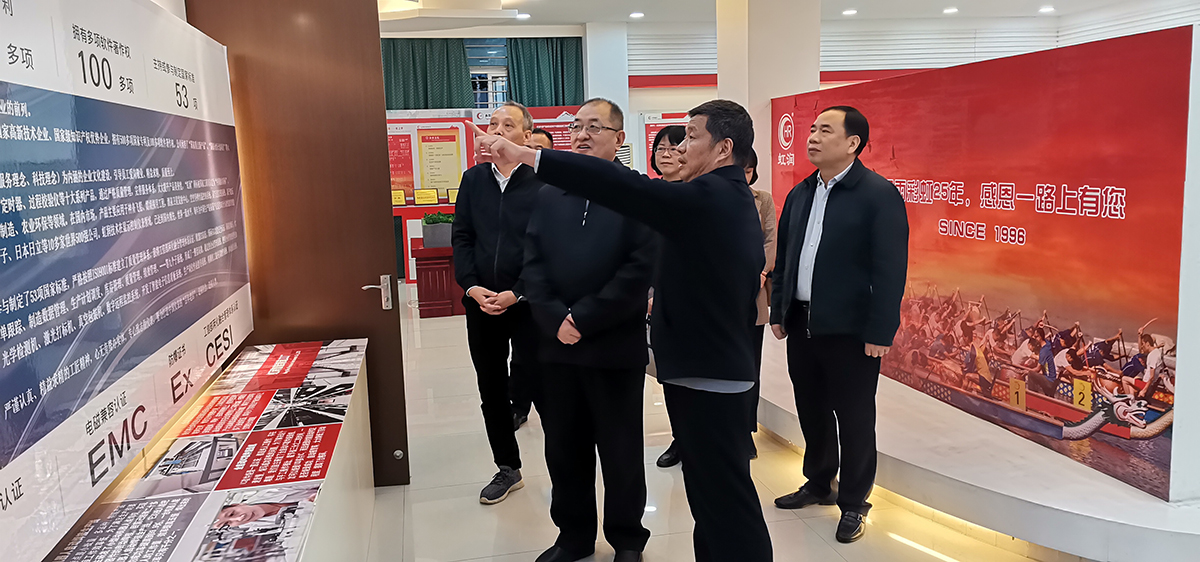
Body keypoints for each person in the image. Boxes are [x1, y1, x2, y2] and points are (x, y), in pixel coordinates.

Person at [470, 99, 773, 562]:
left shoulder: (712, 196)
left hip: (707, 370)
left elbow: (623, 192)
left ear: (724, 148)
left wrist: (528, 155)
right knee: (711, 500)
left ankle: (630, 538)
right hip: (697, 367)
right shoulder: (716, 196)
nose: (679, 147)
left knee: (725, 500)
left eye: (691, 137)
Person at [521, 99, 656, 562]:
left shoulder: (637, 194)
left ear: (619, 138)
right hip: (556, 347)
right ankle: (573, 536)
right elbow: (532, 264)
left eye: (594, 127)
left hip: (613, 346)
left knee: (621, 450)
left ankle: (627, 539)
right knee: (563, 449)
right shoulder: (548, 193)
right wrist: (554, 318)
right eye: (576, 127)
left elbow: (639, 269)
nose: (581, 134)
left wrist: (583, 318)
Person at [770, 106, 909, 544]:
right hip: (802, 321)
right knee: (811, 408)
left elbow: (890, 269)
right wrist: (779, 310)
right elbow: (786, 258)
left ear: (852, 143)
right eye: (812, 129)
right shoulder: (801, 193)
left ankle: (853, 502)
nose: (812, 137)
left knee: (854, 416)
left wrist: (880, 331)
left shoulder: (878, 194)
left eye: (824, 130)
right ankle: (818, 482)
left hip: (851, 331)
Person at [451, 101, 544, 505]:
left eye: (508, 125)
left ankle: (565, 467)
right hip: (482, 303)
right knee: (490, 386)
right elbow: (462, 236)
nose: (498, 130)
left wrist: (518, 291)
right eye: (493, 123)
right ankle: (508, 467)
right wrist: (472, 287)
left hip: (529, 303)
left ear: (526, 136)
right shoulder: (473, 179)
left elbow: (548, 246)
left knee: (541, 382)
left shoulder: (542, 181)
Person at [646, 124, 687, 470]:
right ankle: (680, 438)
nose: (667, 153)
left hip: (691, 302)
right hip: (655, 300)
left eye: (675, 147)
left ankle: (699, 437)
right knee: (668, 375)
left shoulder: (698, 193)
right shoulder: (648, 195)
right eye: (661, 148)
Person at [745, 147, 776, 460]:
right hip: (718, 297)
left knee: (750, 365)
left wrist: (761, 272)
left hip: (754, 292)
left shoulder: (762, 200)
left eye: (748, 169)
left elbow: (770, 240)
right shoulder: (710, 195)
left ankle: (745, 430)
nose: (744, 175)